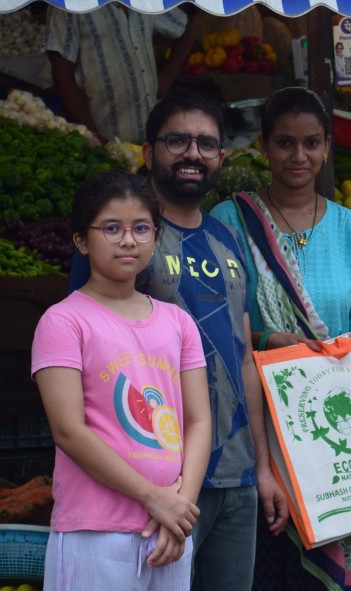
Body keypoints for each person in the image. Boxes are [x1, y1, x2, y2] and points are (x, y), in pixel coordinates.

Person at [69, 89, 289, 590]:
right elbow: (89, 360)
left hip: (235, 477)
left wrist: (262, 466)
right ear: (148, 152)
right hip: (157, 482)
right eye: (178, 141)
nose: (193, 153)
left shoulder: (228, 238)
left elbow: (244, 358)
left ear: (221, 157)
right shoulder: (123, 242)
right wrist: (146, 488)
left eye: (206, 144)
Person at [210, 86, 351, 590]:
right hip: (253, 426)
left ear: (326, 147)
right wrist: (269, 340)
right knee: (264, 565)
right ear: (264, 147)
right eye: (285, 143)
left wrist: (326, 361)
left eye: (311, 143)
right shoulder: (229, 222)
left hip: (331, 426)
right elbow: (217, 327)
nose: (298, 156)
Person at [32, 170, 212, 589]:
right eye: (111, 228)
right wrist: (154, 497)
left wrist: (180, 508)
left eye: (141, 228)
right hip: (95, 532)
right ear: (82, 240)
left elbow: (199, 421)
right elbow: (68, 431)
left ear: (155, 236)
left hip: (169, 529)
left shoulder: (178, 322)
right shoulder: (64, 321)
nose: (128, 240)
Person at [46, 3, 199, 144]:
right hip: (106, 137)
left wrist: (167, 76)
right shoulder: (70, 3)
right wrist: (94, 136)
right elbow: (62, 75)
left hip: (152, 133)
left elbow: (186, 28)